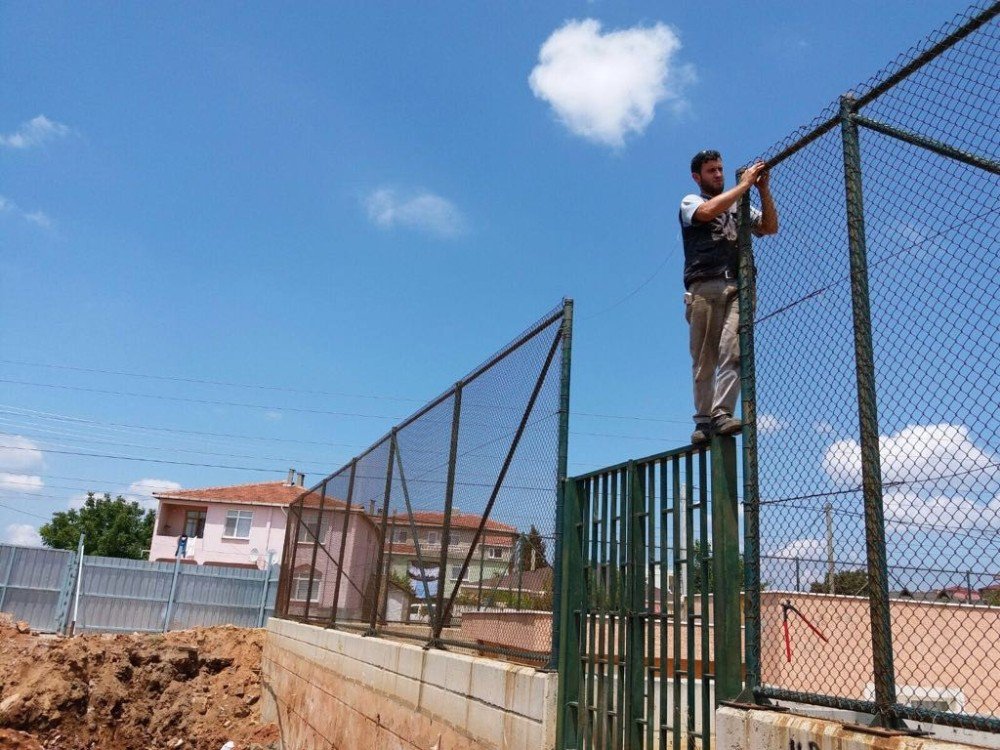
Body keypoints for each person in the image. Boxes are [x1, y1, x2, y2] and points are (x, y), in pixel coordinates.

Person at [680, 150, 778, 444]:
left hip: (738, 285)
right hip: (704, 286)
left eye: (721, 169)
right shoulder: (691, 201)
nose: (719, 175)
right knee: (704, 358)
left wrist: (763, 189)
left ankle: (722, 413)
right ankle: (704, 421)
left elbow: (770, 227)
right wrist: (745, 185)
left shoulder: (739, 203)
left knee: (733, 351)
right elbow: (707, 213)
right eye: (712, 171)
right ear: (698, 177)